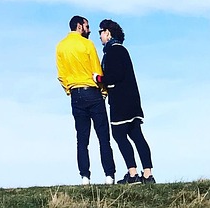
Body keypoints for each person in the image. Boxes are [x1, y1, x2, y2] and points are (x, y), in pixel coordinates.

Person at [56, 14, 116, 185]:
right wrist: (103, 92)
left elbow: (61, 74)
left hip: (76, 94)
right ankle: (109, 175)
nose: (89, 30)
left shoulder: (60, 46)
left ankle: (85, 177)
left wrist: (70, 89)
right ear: (80, 27)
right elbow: (97, 70)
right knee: (103, 137)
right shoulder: (87, 44)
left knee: (82, 139)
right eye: (87, 27)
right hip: (92, 92)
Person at [98, 19, 154, 184]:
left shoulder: (113, 52)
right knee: (136, 135)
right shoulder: (122, 50)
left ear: (108, 32)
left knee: (119, 134)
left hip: (120, 101)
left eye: (101, 32)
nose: (100, 36)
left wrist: (99, 78)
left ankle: (132, 173)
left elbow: (114, 76)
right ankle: (148, 174)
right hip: (133, 101)